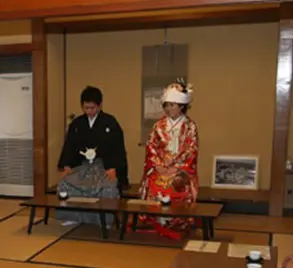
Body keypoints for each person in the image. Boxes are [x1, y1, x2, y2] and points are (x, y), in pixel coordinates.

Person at [55, 86, 128, 224]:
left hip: (103, 166)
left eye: (92, 108)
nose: (89, 111)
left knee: (108, 187)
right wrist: (67, 166)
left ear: (100, 105)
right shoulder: (77, 124)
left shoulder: (110, 122)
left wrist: (113, 168)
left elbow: (117, 147)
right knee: (65, 183)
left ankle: (104, 220)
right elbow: (69, 146)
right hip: (81, 166)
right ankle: (72, 218)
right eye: (86, 108)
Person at [138, 82, 198, 239]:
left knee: (177, 183)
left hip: (179, 169)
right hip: (160, 167)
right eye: (167, 105)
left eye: (174, 105)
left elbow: (191, 150)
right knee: (154, 183)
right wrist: (158, 165)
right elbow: (151, 147)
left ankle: (177, 221)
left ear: (182, 106)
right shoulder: (158, 125)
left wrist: (177, 168)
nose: (170, 109)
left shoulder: (190, 126)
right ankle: (155, 220)